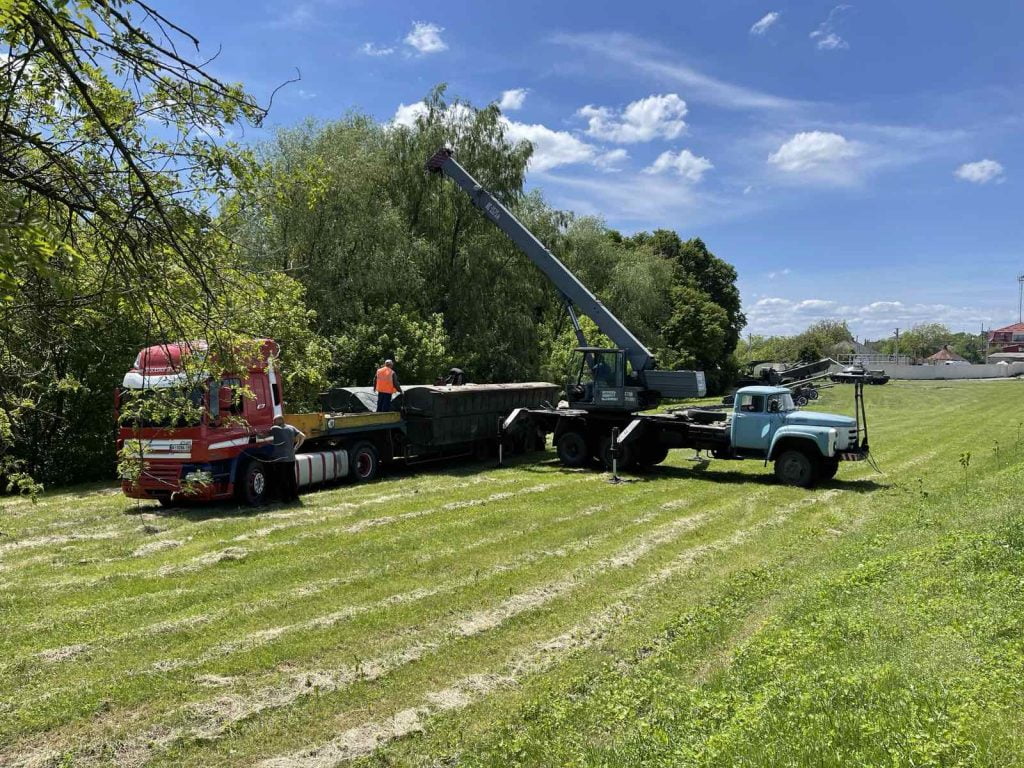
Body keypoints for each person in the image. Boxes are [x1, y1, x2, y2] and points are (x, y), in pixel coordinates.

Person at [269, 415, 304, 502]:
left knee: (282, 479)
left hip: (281, 459)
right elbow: (303, 436)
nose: (273, 422)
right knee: (291, 478)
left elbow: (262, 436)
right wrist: (296, 447)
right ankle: (294, 497)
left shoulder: (275, 428)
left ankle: (286, 499)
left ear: (280, 420)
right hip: (291, 458)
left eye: (274, 420)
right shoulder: (291, 427)